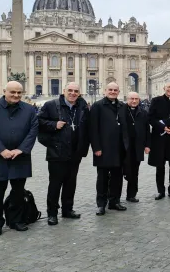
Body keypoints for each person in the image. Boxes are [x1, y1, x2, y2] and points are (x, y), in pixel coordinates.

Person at [0, 81, 38, 237]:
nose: (16, 95)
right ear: (4, 91)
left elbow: (33, 131)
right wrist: (1, 150)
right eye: (12, 92)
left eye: (19, 93)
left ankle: (16, 220)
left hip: (21, 156)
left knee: (18, 192)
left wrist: (21, 149)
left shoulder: (29, 109)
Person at [37, 82, 90, 225]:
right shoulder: (51, 105)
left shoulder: (82, 106)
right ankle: (52, 213)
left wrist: (83, 147)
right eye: (70, 90)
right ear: (64, 91)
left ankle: (67, 210)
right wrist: (54, 125)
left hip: (75, 152)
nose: (73, 93)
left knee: (70, 183)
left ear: (79, 93)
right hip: (57, 152)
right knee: (55, 184)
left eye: (76, 91)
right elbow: (39, 122)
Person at [89, 82, 127, 215]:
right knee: (102, 178)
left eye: (115, 90)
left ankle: (114, 201)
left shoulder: (122, 106)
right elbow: (93, 129)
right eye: (110, 89)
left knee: (117, 177)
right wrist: (96, 147)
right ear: (105, 91)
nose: (112, 92)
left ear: (118, 91)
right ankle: (101, 204)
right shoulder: (97, 106)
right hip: (103, 149)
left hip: (119, 148)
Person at [120, 92, 151, 203]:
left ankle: (131, 195)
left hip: (137, 146)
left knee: (134, 172)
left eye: (136, 99)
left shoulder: (143, 113)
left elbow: (147, 130)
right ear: (127, 99)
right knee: (119, 171)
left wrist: (147, 145)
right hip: (123, 146)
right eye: (132, 99)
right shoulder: (121, 111)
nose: (134, 101)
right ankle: (113, 196)